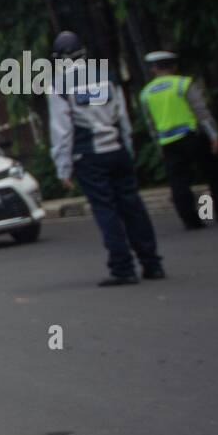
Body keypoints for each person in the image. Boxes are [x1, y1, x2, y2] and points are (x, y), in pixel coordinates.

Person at [47, 31, 164, 286]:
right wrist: (128, 151)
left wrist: (63, 168)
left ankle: (123, 269)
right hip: (118, 152)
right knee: (133, 207)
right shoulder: (105, 76)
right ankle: (152, 264)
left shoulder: (58, 85)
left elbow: (62, 131)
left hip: (89, 157)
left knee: (106, 211)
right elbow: (122, 119)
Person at [139, 51, 218, 228]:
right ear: (173, 67)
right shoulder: (182, 84)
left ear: (153, 69)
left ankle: (190, 220)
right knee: (215, 174)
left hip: (168, 142)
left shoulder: (146, 93)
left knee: (178, 183)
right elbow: (201, 112)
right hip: (192, 137)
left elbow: (150, 124)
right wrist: (214, 136)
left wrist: (159, 146)